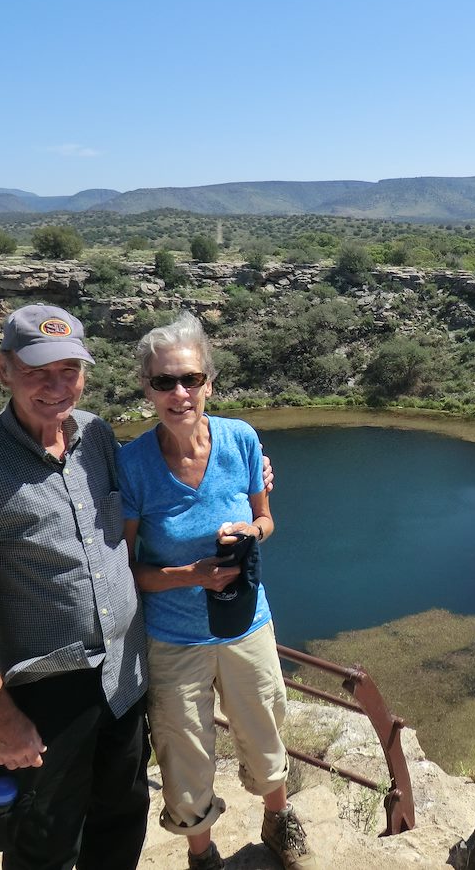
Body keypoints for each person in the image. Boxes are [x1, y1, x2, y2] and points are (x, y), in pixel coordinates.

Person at [0, 304, 150, 870]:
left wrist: (245, 473)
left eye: (70, 370)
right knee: (43, 840)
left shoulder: (97, 436)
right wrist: (0, 717)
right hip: (47, 689)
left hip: (124, 674)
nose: (56, 387)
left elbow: (160, 487)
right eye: (37, 371)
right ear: (4, 368)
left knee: (121, 817)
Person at [117, 311, 316, 870]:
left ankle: (279, 822)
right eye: (164, 382)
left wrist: (251, 532)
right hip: (174, 634)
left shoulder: (240, 439)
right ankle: (201, 853)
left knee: (264, 725)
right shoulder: (132, 464)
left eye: (190, 379)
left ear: (209, 382)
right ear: (147, 388)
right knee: (184, 748)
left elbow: (267, 521)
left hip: (246, 621)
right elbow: (126, 569)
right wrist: (192, 576)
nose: (179, 393)